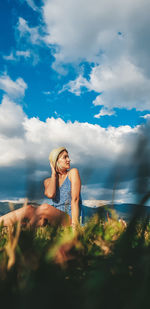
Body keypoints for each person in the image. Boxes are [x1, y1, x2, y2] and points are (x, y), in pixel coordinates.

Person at [0, 147, 82, 229]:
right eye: (65, 157)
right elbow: (51, 194)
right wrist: (54, 174)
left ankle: (23, 229)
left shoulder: (73, 173)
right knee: (29, 209)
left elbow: (75, 199)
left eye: (68, 157)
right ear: (56, 161)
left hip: (71, 216)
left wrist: (75, 225)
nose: (69, 160)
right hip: (51, 216)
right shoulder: (48, 181)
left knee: (45, 207)